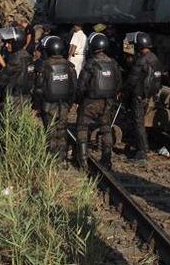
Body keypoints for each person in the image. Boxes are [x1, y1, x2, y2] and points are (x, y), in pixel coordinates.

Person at [75, 33, 121, 170]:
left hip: (91, 102)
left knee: (82, 127)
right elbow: (118, 83)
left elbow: (81, 85)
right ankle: (107, 160)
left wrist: (79, 100)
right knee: (106, 128)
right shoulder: (113, 63)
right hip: (108, 102)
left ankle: (82, 160)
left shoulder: (90, 64)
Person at [33, 36, 76, 162]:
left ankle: (52, 159)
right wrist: (69, 104)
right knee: (62, 131)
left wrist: (36, 106)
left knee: (50, 131)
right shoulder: (70, 66)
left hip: (48, 105)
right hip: (64, 105)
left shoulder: (44, 66)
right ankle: (61, 157)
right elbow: (74, 88)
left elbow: (39, 89)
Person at [124, 32, 162, 163]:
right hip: (150, 96)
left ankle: (142, 152)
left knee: (138, 123)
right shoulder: (155, 59)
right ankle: (143, 146)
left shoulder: (141, 61)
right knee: (142, 122)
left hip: (139, 95)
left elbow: (131, 81)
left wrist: (123, 91)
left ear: (138, 46)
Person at [0, 26, 32, 101]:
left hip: (13, 98)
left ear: (16, 43)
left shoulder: (14, 61)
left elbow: (1, 81)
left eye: (9, 43)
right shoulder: (27, 56)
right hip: (26, 97)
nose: (6, 45)